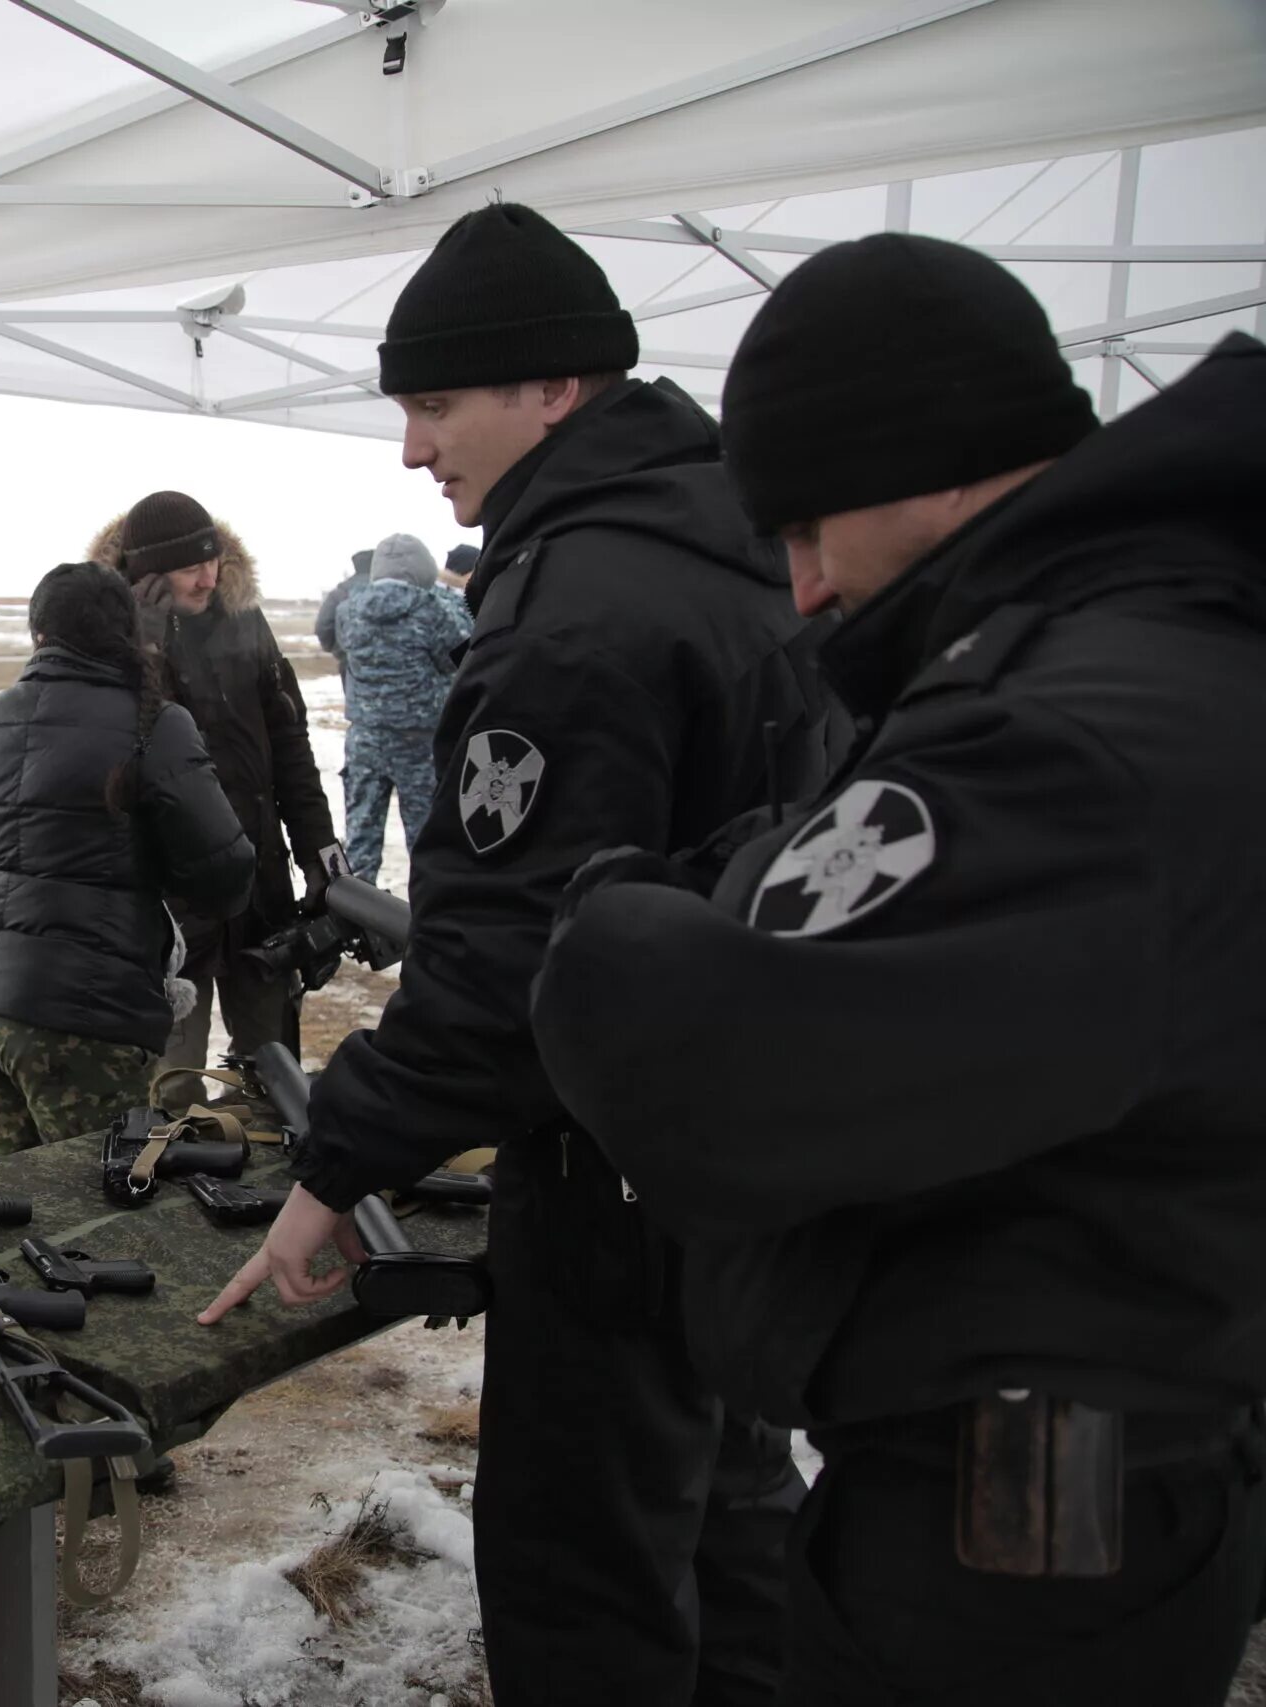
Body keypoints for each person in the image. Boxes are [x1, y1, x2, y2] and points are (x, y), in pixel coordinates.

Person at [534, 239, 1266, 1707]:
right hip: (1104, 1469)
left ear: (932, 467)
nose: (800, 588)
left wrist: (609, 908)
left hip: (1024, 1528)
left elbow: (711, 1074)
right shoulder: (1164, 655)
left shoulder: (1067, 737)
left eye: (806, 525)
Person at [199, 202, 840, 1707]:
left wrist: (337, 1159)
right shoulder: (735, 553)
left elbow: (506, 963)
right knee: (735, 1536)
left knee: (588, 1585)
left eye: (434, 405)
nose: (415, 451)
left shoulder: (576, 608)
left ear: (557, 389)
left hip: (615, 1182)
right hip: (747, 1169)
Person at [0, 562, 255, 1155]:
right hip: (84, 1018)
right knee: (103, 1207)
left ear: (38, 635)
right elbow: (223, 868)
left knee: (13, 1207)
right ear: (127, 635)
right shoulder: (153, 723)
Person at [88, 493, 339, 1111]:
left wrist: (319, 849)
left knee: (273, 1076)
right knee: (173, 1089)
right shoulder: (106, 632)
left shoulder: (243, 618)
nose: (208, 576)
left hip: (260, 884)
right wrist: (139, 654)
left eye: (213, 560)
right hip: (172, 905)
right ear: (146, 574)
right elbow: (108, 759)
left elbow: (289, 742)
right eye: (190, 566)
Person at [332, 532, 470, 878]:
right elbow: (458, 658)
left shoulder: (348, 610)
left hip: (364, 740)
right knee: (426, 844)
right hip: (418, 744)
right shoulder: (431, 609)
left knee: (361, 842)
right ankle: (427, 921)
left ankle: (358, 921)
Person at [314, 545, 376, 708]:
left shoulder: (340, 592)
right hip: (393, 664)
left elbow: (323, 626)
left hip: (351, 664)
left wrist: (340, 651)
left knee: (358, 714)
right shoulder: (390, 589)